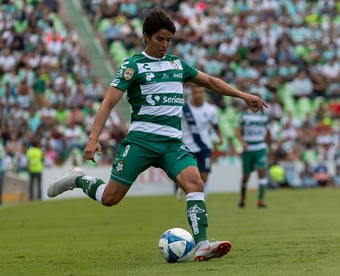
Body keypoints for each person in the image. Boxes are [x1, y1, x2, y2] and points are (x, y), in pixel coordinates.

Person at [47, 8, 267, 261]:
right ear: (146, 36)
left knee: (195, 183)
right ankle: (78, 179)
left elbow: (210, 81)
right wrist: (93, 138)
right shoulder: (133, 66)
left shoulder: (177, 64)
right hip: (141, 142)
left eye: (169, 40)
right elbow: (108, 103)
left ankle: (203, 244)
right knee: (110, 198)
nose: (165, 44)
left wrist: (243, 95)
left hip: (172, 144)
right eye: (160, 39)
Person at [177, 85, 223, 200]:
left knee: (204, 176)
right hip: (187, 147)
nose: (199, 95)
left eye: (201, 92)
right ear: (192, 93)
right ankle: (183, 188)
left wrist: (220, 137)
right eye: (196, 92)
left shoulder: (211, 110)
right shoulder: (183, 109)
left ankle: (202, 200)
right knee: (189, 176)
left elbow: (216, 126)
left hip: (204, 147)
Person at [235, 100, 272, 208]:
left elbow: (268, 132)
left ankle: (260, 200)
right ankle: (242, 197)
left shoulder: (264, 116)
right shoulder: (243, 116)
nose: (257, 106)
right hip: (248, 148)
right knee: (246, 176)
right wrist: (242, 142)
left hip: (260, 147)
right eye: (255, 103)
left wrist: (270, 147)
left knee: (261, 171)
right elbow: (237, 131)